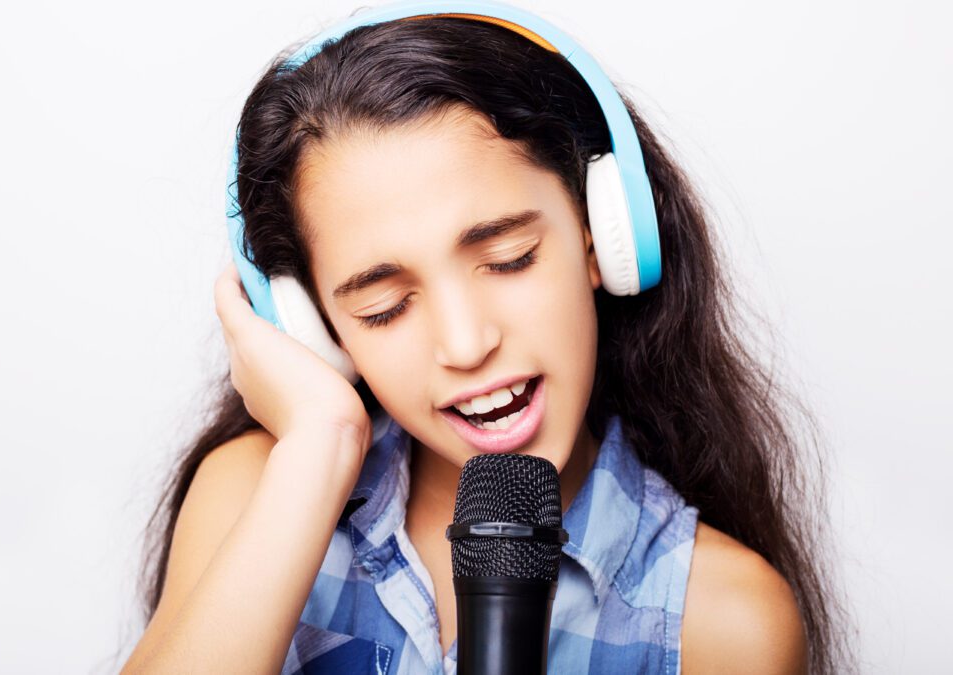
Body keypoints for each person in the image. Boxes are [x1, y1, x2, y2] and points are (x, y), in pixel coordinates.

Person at [121, 7, 851, 675]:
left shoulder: (722, 624)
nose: (467, 344)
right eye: (383, 307)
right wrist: (320, 442)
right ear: (316, 332)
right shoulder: (254, 497)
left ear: (603, 234)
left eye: (508, 259)